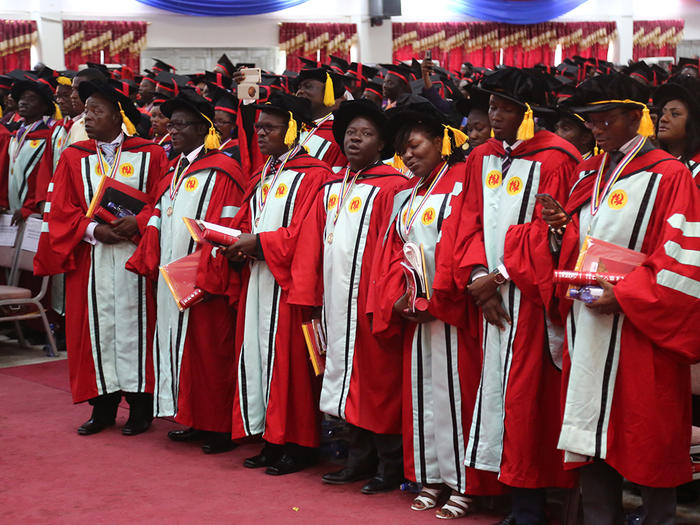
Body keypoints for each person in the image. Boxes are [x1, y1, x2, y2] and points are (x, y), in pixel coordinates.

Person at [541, 73, 700, 525]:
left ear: (636, 117)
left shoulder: (669, 175)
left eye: (606, 118)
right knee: (591, 438)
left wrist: (626, 295)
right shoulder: (589, 171)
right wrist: (559, 231)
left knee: (646, 438)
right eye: (589, 120)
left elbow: (683, 261)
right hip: (589, 324)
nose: (595, 128)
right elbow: (578, 242)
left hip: (642, 330)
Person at [434, 68, 581, 525]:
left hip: (533, 301)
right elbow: (468, 221)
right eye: (490, 107)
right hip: (490, 301)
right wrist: (478, 276)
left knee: (527, 398)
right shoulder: (482, 157)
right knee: (496, 394)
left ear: (528, 112)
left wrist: (496, 278)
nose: (493, 115)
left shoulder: (558, 158)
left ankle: (531, 504)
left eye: (503, 107)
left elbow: (551, 233)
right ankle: (507, 494)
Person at [370, 97, 504, 519]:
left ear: (442, 139)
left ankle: (464, 482)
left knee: (455, 395)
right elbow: (394, 251)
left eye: (414, 145)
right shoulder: (410, 193)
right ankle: (431, 476)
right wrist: (400, 296)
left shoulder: (467, 180)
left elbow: (465, 243)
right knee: (424, 395)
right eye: (403, 150)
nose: (407, 155)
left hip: (453, 312)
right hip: (418, 312)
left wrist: (438, 299)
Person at [34, 79, 167, 436]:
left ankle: (141, 408)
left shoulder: (150, 154)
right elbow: (61, 210)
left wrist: (138, 221)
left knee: (137, 329)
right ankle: (103, 408)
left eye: (97, 110)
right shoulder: (74, 156)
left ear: (118, 116)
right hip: (91, 259)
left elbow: (162, 202)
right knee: (96, 331)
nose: (88, 116)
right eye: (87, 109)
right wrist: (94, 231)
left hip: (135, 256)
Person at [289, 99, 408, 493]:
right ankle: (356, 459)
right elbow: (310, 245)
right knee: (341, 379)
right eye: (350, 133)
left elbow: (397, 248)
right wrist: (310, 295)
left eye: (366, 134)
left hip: (371, 304)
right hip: (335, 305)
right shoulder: (332, 188)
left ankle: (388, 466)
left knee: (377, 384)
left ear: (382, 144)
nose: (355, 139)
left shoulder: (394, 186)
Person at [215, 93, 332, 475]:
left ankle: (298, 445)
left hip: (288, 284)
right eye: (257, 127)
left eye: (269, 127)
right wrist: (236, 240)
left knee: (290, 365)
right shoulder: (266, 171)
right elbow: (253, 219)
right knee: (259, 357)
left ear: (294, 129)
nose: (259, 133)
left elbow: (304, 234)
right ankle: (268, 436)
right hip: (258, 279)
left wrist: (260, 243)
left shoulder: (314, 174)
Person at [126, 90, 246, 454]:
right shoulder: (176, 168)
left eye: (180, 125)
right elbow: (158, 214)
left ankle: (220, 427)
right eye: (170, 123)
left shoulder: (223, 171)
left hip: (202, 277)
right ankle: (192, 417)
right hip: (170, 277)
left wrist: (203, 273)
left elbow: (225, 225)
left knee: (210, 351)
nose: (171, 130)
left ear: (203, 128)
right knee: (183, 351)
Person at [1, 78, 64, 224]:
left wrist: (29, 208)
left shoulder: (48, 136)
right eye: (22, 98)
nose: (23, 102)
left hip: (33, 214)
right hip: (11, 210)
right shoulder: (15, 135)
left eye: (31, 99)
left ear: (44, 107)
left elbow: (43, 177)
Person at [295, 67, 348, 171]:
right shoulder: (292, 128)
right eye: (299, 87)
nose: (300, 91)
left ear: (328, 92)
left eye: (308, 87)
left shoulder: (338, 134)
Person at [653, 74, 700, 184]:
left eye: (675, 114)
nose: (663, 119)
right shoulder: (653, 162)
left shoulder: (697, 171)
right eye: (663, 113)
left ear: (693, 123)